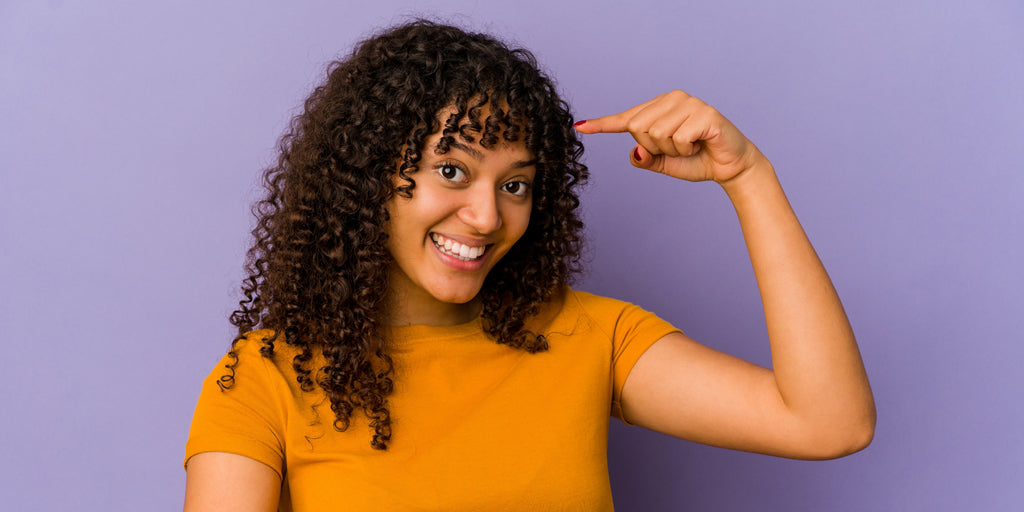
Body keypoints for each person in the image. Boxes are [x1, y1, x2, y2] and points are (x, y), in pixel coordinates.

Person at [183, 20, 875, 512]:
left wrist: (748, 176)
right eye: (451, 170)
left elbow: (829, 423)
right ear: (365, 178)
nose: (486, 216)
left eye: (515, 184)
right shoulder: (266, 380)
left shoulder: (589, 338)